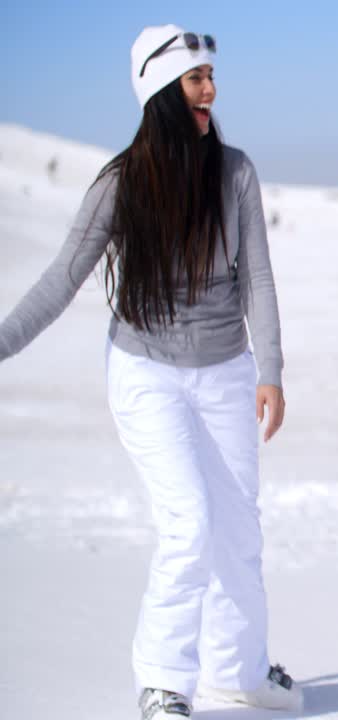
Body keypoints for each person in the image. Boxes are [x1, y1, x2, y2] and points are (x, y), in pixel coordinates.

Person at [0, 25, 301, 719]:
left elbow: (258, 278)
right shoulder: (122, 185)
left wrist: (271, 370)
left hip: (225, 370)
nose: (211, 90)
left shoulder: (236, 174)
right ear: (164, 91)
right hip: (146, 374)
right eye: (197, 79)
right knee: (188, 522)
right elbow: (60, 279)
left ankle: (242, 672)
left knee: (238, 530)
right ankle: (163, 681)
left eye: (210, 77)